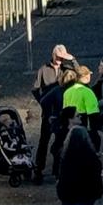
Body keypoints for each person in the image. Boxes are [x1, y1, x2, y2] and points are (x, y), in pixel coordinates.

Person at [56, 120, 103, 205]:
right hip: (84, 193)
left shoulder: (63, 154)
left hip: (67, 191)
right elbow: (96, 174)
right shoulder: (91, 156)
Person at [32, 43, 75, 183]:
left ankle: (57, 169)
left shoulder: (67, 69)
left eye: (63, 58)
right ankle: (39, 169)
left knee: (60, 142)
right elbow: (36, 88)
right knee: (44, 141)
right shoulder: (43, 70)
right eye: (59, 57)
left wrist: (72, 60)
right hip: (48, 112)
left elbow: (79, 73)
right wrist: (43, 102)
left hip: (61, 113)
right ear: (53, 55)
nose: (60, 60)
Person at [63, 65, 101, 150]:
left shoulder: (67, 92)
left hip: (70, 124)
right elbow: (93, 113)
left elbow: (65, 111)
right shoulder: (87, 92)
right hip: (84, 123)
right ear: (86, 76)